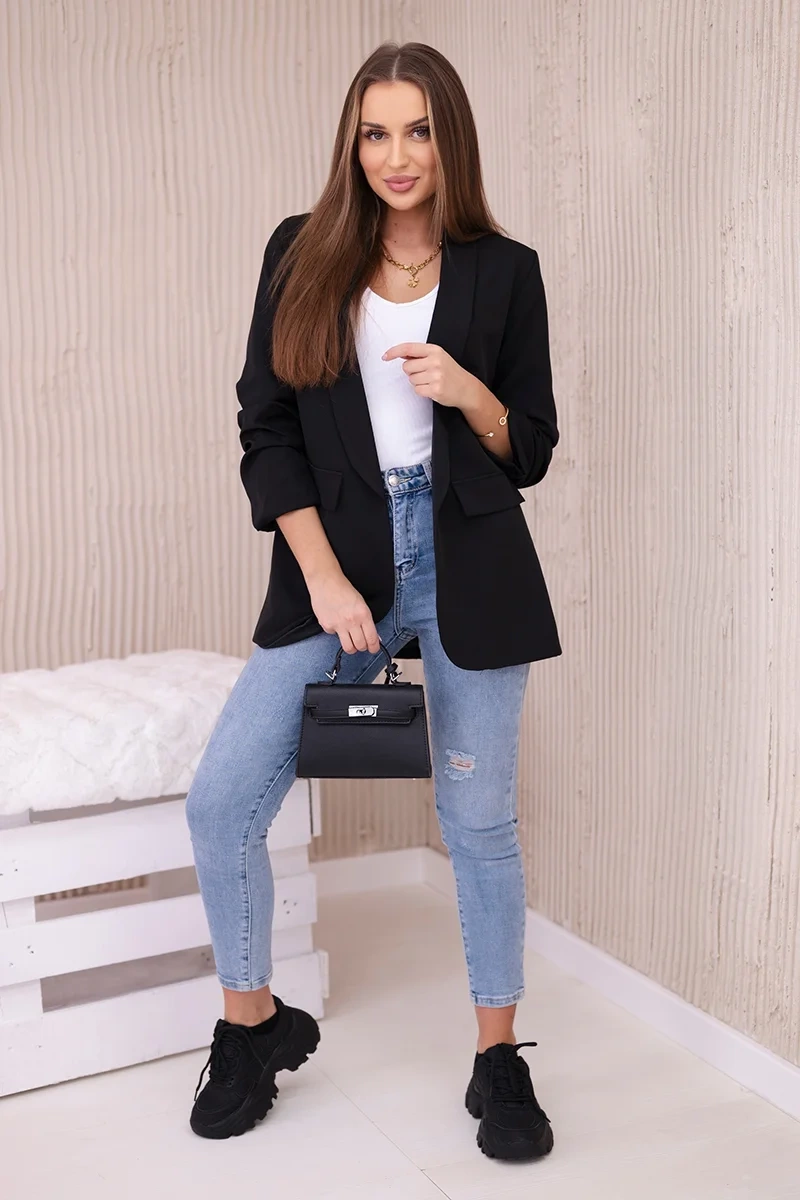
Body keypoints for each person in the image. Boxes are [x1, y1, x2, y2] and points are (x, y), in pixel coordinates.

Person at [185, 40, 561, 1162]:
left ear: (451, 140)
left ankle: (498, 1059)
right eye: (375, 132)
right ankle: (252, 1025)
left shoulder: (504, 269)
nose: (397, 155)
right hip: (336, 560)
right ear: (352, 144)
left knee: (477, 823)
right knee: (222, 803)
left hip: (468, 561)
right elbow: (265, 426)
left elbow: (531, 448)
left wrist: (471, 392)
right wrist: (323, 576)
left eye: (418, 131)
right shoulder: (299, 252)